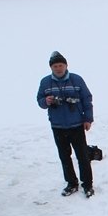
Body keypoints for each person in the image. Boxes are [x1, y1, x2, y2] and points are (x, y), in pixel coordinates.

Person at [36, 51, 96, 197]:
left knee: (82, 156)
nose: (58, 68)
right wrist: (46, 101)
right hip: (57, 126)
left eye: (60, 65)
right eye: (55, 66)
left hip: (76, 125)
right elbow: (40, 101)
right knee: (64, 157)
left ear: (66, 65)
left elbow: (87, 99)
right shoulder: (45, 82)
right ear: (51, 68)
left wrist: (88, 119)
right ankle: (71, 183)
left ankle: (87, 185)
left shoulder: (76, 79)